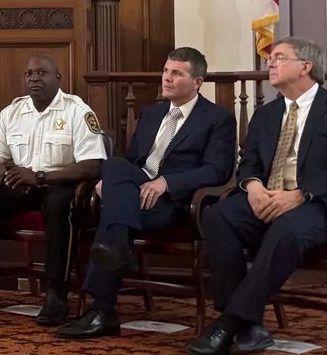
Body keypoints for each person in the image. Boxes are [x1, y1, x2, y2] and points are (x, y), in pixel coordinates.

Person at [184, 37, 327, 355]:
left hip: (319, 205)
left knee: (288, 228)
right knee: (218, 214)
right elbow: (248, 163)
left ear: (306, 67)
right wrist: (252, 187)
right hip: (265, 198)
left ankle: (229, 322)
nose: (270, 64)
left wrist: (300, 194)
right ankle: (251, 327)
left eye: (279, 58)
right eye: (270, 59)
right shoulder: (266, 114)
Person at [57, 46, 236, 339]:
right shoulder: (151, 114)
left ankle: (102, 310)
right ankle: (114, 264)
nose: (167, 78)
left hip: (172, 203)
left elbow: (217, 171)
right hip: (135, 195)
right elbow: (132, 161)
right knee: (113, 165)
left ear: (197, 82)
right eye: (166, 71)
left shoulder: (217, 118)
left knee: (113, 212)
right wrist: (111, 182)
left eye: (176, 73)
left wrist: (167, 183)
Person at [0, 53, 107, 326]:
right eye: (29, 74)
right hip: (22, 185)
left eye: (41, 73)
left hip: (58, 185)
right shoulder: (13, 112)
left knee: (59, 207)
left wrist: (41, 176)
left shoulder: (77, 111)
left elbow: (92, 166)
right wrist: (5, 176)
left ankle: (56, 294)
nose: (34, 79)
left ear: (57, 78)